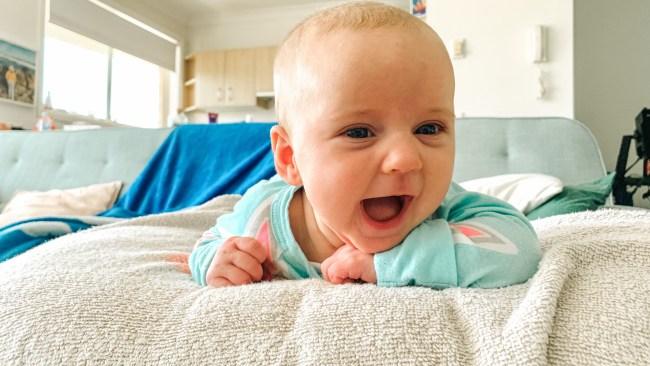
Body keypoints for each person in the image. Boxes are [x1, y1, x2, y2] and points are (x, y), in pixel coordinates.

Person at [188, 2, 541, 289]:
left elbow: (518, 246)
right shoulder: (259, 223)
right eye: (359, 133)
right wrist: (216, 263)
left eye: (428, 128)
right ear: (289, 157)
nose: (405, 159)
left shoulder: (441, 209)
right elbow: (207, 244)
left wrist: (392, 263)